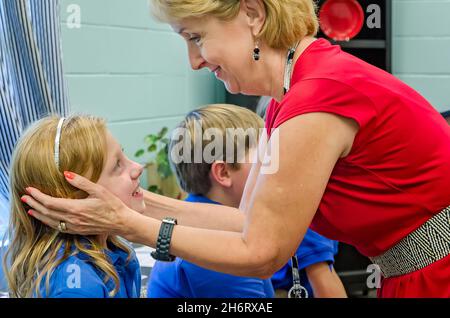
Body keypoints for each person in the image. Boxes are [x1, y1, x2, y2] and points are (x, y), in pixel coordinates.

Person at [23, 0, 450, 297]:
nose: (193, 60)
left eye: (195, 37)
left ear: (252, 14)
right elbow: (244, 219)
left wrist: (135, 226)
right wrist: (132, 206)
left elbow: (261, 252)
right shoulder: (289, 97)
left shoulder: (317, 98)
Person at [148, 104, 345, 298]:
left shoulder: (203, 225)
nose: (277, 163)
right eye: (264, 156)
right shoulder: (216, 250)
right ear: (223, 172)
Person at [3, 115, 142, 298]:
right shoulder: (77, 288)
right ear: (73, 200)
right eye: (117, 165)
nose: (138, 167)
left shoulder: (118, 250)